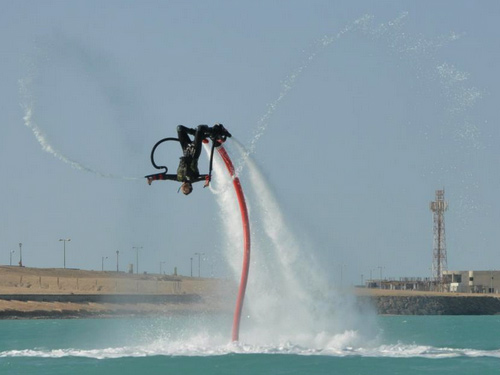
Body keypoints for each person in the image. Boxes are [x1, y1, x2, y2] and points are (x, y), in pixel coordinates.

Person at [146, 123, 231, 195]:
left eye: (183, 191)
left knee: (179, 128)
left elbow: (165, 177)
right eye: (187, 191)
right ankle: (216, 130)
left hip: (186, 150)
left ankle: (201, 136)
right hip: (194, 152)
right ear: (190, 187)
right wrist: (207, 181)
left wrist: (152, 178)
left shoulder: (179, 178)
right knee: (200, 128)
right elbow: (207, 176)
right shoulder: (193, 179)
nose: (184, 190)